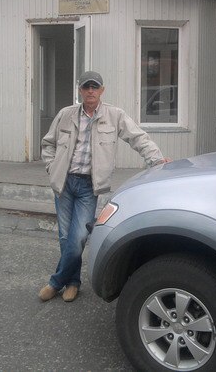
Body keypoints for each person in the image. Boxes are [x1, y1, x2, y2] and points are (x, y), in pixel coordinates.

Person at [39, 71, 169, 302]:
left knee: (79, 237)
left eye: (95, 87)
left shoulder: (114, 115)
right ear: (80, 90)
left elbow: (138, 138)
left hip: (88, 186)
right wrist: (52, 167)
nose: (90, 91)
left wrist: (157, 160)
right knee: (65, 237)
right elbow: (48, 143)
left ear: (102, 90)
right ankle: (73, 282)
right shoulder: (66, 114)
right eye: (86, 86)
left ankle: (55, 282)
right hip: (64, 183)